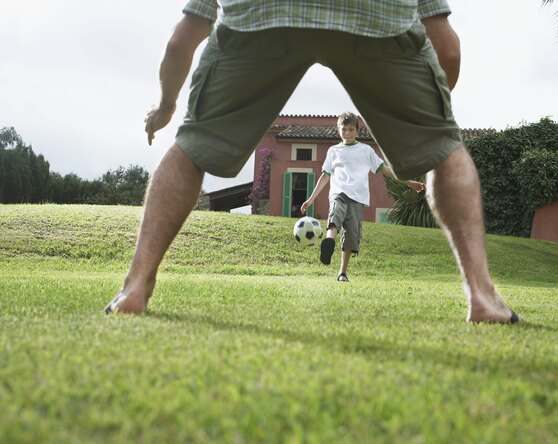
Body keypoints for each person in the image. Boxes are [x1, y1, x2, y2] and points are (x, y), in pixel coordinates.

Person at [105, 0, 521, 324]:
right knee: (447, 153)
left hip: (263, 15)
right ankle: (482, 296)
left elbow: (183, 38)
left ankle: (135, 287)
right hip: (376, 17)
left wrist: (165, 105)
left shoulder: (361, 151)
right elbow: (447, 46)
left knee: (191, 146)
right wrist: (433, 124)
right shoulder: (339, 151)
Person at [300, 112, 424, 282]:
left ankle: (342, 272)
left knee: (351, 235)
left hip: (358, 198)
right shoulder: (333, 151)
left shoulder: (366, 150)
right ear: (339, 130)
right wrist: (311, 199)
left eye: (351, 130)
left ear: (358, 131)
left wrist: (409, 182)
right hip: (339, 192)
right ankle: (329, 242)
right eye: (344, 130)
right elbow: (325, 176)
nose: (347, 133)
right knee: (335, 213)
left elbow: (385, 170)